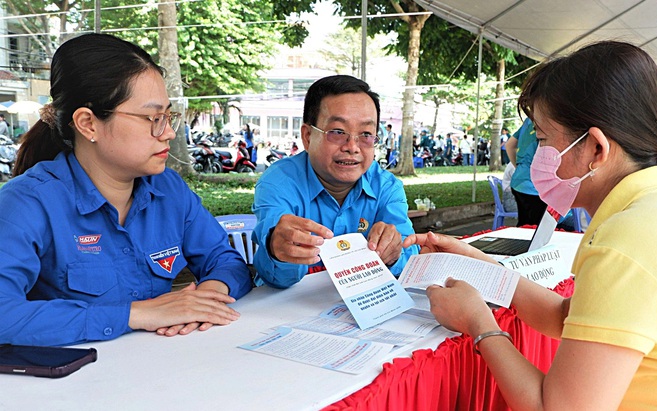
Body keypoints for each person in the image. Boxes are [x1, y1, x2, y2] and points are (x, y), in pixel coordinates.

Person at [404, 41, 657, 409]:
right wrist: (480, 264)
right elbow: (565, 316)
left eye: (542, 139)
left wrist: (479, 324)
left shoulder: (631, 239)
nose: (537, 156)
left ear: (595, 149)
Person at [0, 34, 252, 347]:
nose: (169, 133)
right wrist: (135, 314)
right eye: (152, 118)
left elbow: (226, 261)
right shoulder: (27, 204)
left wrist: (205, 297)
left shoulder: (169, 191)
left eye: (168, 116)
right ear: (89, 124)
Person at [252, 75, 418, 288]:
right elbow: (278, 280)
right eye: (338, 132)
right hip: (287, 309)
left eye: (366, 134)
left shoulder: (386, 187)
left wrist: (394, 255)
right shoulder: (278, 184)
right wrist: (278, 249)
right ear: (308, 136)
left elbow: (410, 262)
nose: (353, 146)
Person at [505, 118, 547, 226]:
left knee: (524, 225)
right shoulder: (549, 117)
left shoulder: (529, 120)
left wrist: (520, 167)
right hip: (535, 185)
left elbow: (509, 145)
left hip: (519, 180)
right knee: (539, 229)